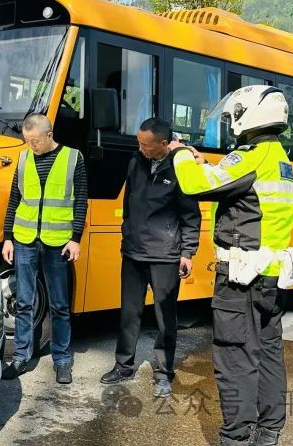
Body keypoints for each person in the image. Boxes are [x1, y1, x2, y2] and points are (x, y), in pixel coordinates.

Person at [168, 86, 293, 446]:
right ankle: (269, 431)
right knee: (269, 352)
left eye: (232, 116)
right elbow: (238, 190)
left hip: (241, 278)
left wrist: (180, 153)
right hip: (270, 276)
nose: (230, 124)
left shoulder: (252, 155)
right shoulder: (278, 158)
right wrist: (204, 162)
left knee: (234, 356)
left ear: (249, 114)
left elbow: (196, 185)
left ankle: (236, 437)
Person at [100, 118, 201, 398]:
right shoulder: (136, 162)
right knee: (129, 313)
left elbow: (191, 215)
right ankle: (123, 365)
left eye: (145, 144)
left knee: (164, 317)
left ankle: (164, 371)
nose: (140, 148)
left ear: (163, 143)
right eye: (139, 143)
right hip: (133, 252)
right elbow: (128, 204)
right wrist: (126, 235)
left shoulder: (180, 168)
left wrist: (187, 253)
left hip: (165, 255)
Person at [1, 113, 87, 384]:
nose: (31, 146)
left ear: (49, 135)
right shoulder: (24, 158)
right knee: (24, 302)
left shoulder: (74, 158)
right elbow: (15, 197)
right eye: (27, 141)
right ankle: (21, 357)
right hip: (25, 239)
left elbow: (81, 199)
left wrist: (76, 238)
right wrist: (7, 237)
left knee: (60, 305)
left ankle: (62, 360)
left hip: (58, 242)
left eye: (35, 141)